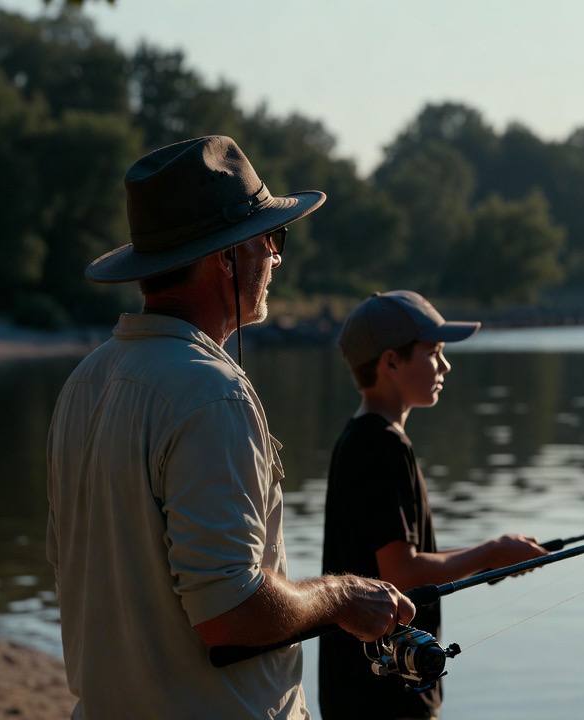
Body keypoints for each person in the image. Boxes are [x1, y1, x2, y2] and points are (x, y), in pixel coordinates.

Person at [46, 136, 415, 719]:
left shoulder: (85, 381)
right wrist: (342, 597)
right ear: (227, 258)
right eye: (272, 240)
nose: (276, 259)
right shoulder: (211, 392)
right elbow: (230, 613)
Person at [318, 291, 548, 719]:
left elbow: (402, 561)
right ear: (391, 362)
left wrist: (490, 558)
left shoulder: (359, 438)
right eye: (434, 352)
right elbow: (401, 573)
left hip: (360, 691)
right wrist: (491, 552)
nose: (445, 366)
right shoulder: (382, 446)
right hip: (386, 699)